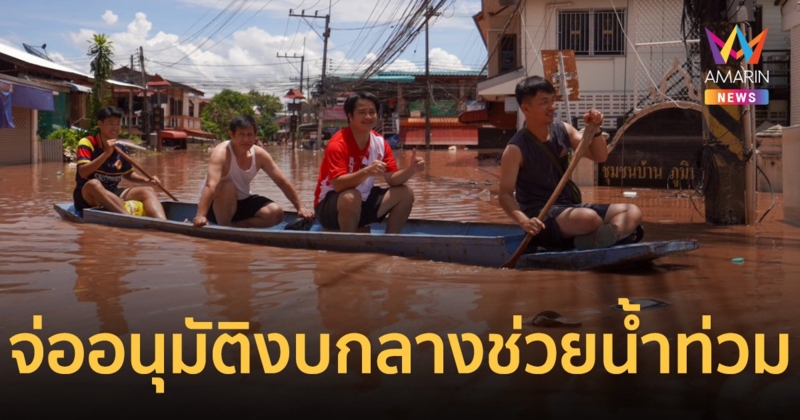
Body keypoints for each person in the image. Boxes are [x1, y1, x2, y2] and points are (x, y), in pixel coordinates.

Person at [498, 76, 643, 251]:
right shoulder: (515, 149)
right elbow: (505, 195)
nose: (552, 107)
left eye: (552, 101)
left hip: (570, 208)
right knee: (591, 219)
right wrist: (524, 221)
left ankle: (606, 237)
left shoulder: (563, 130)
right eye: (544, 102)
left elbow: (600, 156)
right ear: (526, 108)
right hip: (542, 216)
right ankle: (609, 236)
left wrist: (595, 130)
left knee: (632, 212)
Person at [314, 92, 425, 233]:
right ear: (350, 116)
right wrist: (367, 171)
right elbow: (338, 185)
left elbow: (392, 179)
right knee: (351, 196)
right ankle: (349, 246)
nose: (368, 117)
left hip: (362, 201)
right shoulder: (338, 143)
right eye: (362, 112)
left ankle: (390, 241)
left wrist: (411, 169)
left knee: (405, 193)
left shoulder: (380, 143)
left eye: (372, 112)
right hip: (329, 208)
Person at [193, 114, 314, 228]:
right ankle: (224, 228)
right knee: (228, 186)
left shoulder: (260, 154)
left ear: (255, 135)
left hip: (241, 201)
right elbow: (211, 185)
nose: (246, 139)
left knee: (276, 212)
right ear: (231, 134)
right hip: (215, 206)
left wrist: (301, 207)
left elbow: (282, 181)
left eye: (249, 134)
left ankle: (235, 227)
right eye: (241, 134)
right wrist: (200, 216)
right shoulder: (221, 153)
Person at [73, 106, 166, 219]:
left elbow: (128, 173)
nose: (115, 127)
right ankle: (129, 219)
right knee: (94, 183)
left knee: (148, 191)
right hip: (87, 195)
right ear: (100, 124)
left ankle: (163, 223)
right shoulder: (88, 142)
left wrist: (146, 180)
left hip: (112, 192)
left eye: (118, 123)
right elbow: (83, 172)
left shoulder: (120, 147)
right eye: (111, 123)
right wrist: (106, 153)